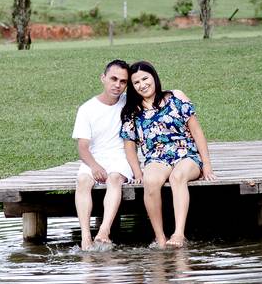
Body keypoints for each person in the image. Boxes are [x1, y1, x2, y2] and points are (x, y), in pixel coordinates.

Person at [120, 61, 216, 248]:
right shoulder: (132, 111)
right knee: (150, 181)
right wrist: (137, 173)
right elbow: (129, 146)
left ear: (154, 77)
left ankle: (179, 233)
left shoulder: (176, 97)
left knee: (177, 176)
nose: (142, 84)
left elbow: (197, 132)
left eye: (145, 78)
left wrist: (207, 165)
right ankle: (160, 238)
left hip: (186, 154)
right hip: (156, 157)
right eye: (136, 82)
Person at [73, 59, 133, 250]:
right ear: (103, 78)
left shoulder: (128, 103)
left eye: (123, 81)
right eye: (113, 79)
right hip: (94, 157)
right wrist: (94, 166)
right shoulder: (87, 109)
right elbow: (83, 147)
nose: (117, 85)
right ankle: (85, 236)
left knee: (114, 178)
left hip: (120, 157)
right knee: (83, 181)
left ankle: (104, 230)